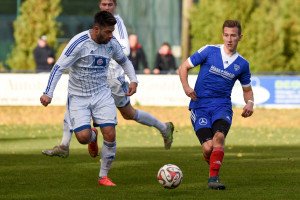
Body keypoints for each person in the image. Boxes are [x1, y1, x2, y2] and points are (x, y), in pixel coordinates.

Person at [42, 0, 174, 161]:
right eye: (103, 4)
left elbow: (124, 50)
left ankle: (163, 127)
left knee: (128, 113)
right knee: (75, 96)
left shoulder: (117, 24)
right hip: (94, 77)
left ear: (115, 6)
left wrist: (105, 54)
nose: (106, 7)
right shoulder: (97, 26)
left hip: (113, 77)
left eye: (110, 4)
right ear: (99, 6)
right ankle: (64, 145)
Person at [40, 11, 139, 187]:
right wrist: (48, 93)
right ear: (96, 29)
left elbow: (124, 61)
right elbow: (58, 67)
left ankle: (103, 176)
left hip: (102, 94)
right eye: (108, 32)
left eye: (112, 32)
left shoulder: (111, 44)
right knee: (83, 137)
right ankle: (92, 136)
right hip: (78, 96)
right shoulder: (78, 43)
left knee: (110, 132)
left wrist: (133, 79)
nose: (111, 36)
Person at [178, 20, 254, 190]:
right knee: (208, 147)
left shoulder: (242, 64)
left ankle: (213, 179)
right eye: (226, 35)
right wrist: (186, 87)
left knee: (219, 138)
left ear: (239, 37)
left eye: (233, 35)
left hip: (222, 107)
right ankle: (213, 162)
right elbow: (183, 67)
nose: (229, 39)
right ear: (223, 35)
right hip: (200, 106)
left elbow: (247, 90)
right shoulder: (209, 51)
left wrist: (250, 103)